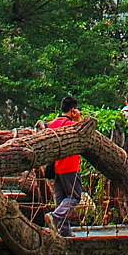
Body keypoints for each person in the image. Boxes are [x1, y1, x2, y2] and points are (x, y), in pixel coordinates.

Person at [45, 96, 85, 236]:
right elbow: (84, 136)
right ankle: (55, 217)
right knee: (74, 197)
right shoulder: (71, 125)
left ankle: (64, 231)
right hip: (70, 166)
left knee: (61, 199)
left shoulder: (52, 125)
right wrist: (79, 119)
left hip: (56, 167)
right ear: (73, 110)